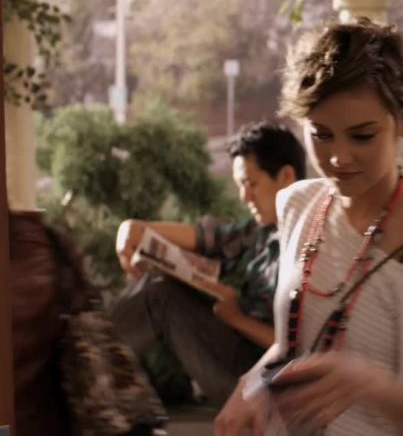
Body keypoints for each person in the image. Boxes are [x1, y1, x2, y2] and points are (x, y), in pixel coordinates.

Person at [213, 18, 403, 436]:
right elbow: (292, 345)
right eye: (321, 134)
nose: (339, 157)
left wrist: (366, 381)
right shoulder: (300, 205)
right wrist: (251, 386)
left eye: (362, 135)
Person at [112, 121, 306, 406]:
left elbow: (305, 349)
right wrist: (135, 229)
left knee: (161, 296)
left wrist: (237, 318)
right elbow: (202, 238)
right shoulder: (260, 232)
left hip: (269, 383)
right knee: (158, 280)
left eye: (251, 184)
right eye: (240, 186)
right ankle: (86, 359)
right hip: (235, 354)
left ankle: (84, 362)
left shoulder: (310, 245)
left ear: (286, 176)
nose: (244, 197)